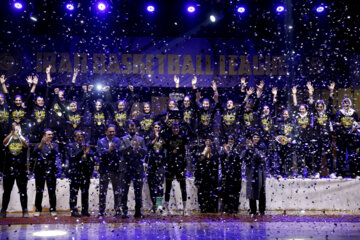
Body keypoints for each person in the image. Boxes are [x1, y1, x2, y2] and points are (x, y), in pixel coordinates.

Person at [0, 123, 29, 218]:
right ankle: (3, 210)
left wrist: (19, 135)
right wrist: (11, 134)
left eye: (18, 128)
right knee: (7, 191)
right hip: (9, 169)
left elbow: (26, 146)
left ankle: (25, 210)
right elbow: (4, 143)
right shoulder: (9, 139)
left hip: (21, 168)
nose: (16, 130)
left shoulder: (23, 138)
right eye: (15, 128)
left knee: (23, 190)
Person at [119, 121, 147, 218]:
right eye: (130, 128)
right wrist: (131, 146)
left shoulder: (141, 139)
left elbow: (145, 152)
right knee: (124, 190)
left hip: (137, 168)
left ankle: (138, 210)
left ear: (136, 128)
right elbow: (121, 151)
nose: (132, 129)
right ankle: (124, 210)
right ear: (127, 129)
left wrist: (138, 147)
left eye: (133, 127)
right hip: (126, 167)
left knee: (138, 190)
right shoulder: (123, 139)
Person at [162, 122, 190, 216]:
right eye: (174, 128)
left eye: (177, 128)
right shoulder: (168, 137)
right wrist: (166, 122)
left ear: (179, 129)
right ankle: (166, 209)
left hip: (180, 166)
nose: (175, 130)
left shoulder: (183, 138)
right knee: (168, 188)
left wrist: (185, 122)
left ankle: (185, 209)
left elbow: (191, 133)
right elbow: (162, 132)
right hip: (170, 166)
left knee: (183, 187)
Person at [32, 129, 60, 217]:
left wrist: (50, 145)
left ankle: (53, 209)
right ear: (44, 136)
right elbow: (34, 153)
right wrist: (42, 144)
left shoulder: (55, 145)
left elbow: (57, 154)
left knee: (52, 191)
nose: (51, 136)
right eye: (49, 135)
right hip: (40, 170)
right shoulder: (38, 145)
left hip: (51, 170)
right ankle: (38, 209)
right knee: (39, 190)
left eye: (51, 134)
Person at [67, 131, 95, 217]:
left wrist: (88, 152)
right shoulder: (71, 146)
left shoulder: (87, 146)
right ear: (75, 138)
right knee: (74, 192)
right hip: (75, 173)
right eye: (78, 137)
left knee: (85, 192)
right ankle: (73, 210)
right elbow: (72, 157)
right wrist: (82, 151)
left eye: (81, 136)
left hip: (85, 173)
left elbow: (92, 158)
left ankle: (85, 210)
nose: (80, 138)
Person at [96, 124, 122, 217]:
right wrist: (109, 151)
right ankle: (101, 210)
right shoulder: (100, 141)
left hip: (115, 169)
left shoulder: (118, 141)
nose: (111, 133)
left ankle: (118, 209)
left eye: (113, 131)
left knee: (117, 191)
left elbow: (120, 153)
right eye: (110, 131)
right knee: (103, 191)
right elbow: (99, 154)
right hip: (104, 169)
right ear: (106, 132)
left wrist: (112, 152)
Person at [241, 132, 267, 216]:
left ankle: (262, 209)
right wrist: (248, 149)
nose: (255, 138)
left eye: (257, 137)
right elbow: (242, 157)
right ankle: (253, 209)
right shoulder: (248, 147)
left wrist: (253, 148)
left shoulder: (262, 146)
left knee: (261, 191)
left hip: (259, 172)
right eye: (254, 137)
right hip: (250, 172)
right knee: (251, 191)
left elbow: (261, 157)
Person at [334, 97, 359, 178]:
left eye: (347, 103)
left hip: (351, 138)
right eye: (344, 103)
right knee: (340, 155)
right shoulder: (339, 113)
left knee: (352, 155)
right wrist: (339, 127)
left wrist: (355, 128)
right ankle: (340, 173)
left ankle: (354, 173)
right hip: (341, 137)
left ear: (350, 104)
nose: (346, 104)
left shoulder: (354, 113)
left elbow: (358, 124)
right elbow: (335, 125)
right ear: (342, 104)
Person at [145, 122, 166, 214]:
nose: (157, 128)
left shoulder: (163, 137)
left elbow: (166, 147)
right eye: (156, 127)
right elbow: (148, 146)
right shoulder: (149, 136)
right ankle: (153, 205)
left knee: (160, 185)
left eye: (159, 127)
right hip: (151, 164)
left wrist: (161, 138)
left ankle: (159, 205)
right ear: (153, 128)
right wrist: (155, 138)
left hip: (160, 164)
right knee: (151, 185)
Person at [195, 137, 219, 213]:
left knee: (211, 192)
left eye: (209, 140)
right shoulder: (200, 149)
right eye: (206, 140)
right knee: (202, 192)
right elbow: (199, 160)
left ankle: (211, 207)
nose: (208, 142)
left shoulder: (214, 151)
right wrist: (204, 153)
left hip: (211, 175)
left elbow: (216, 162)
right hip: (202, 175)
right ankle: (203, 207)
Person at [219, 135, 242, 214]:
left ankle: (234, 207)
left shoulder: (237, 148)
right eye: (229, 139)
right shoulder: (223, 148)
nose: (230, 140)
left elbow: (239, 158)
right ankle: (225, 207)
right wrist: (225, 151)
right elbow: (221, 158)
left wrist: (231, 151)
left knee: (235, 191)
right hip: (226, 173)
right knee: (225, 191)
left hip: (236, 174)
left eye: (232, 139)